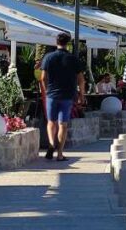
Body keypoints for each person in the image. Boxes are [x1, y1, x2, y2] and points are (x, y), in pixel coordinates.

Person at [40, 32, 85, 161]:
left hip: (52, 95)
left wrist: (46, 91)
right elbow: (81, 80)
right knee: (63, 124)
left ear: (56, 42)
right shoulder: (73, 59)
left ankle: (51, 143)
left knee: (51, 122)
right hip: (67, 95)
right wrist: (82, 95)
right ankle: (59, 154)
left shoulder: (48, 57)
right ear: (68, 43)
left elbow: (43, 78)